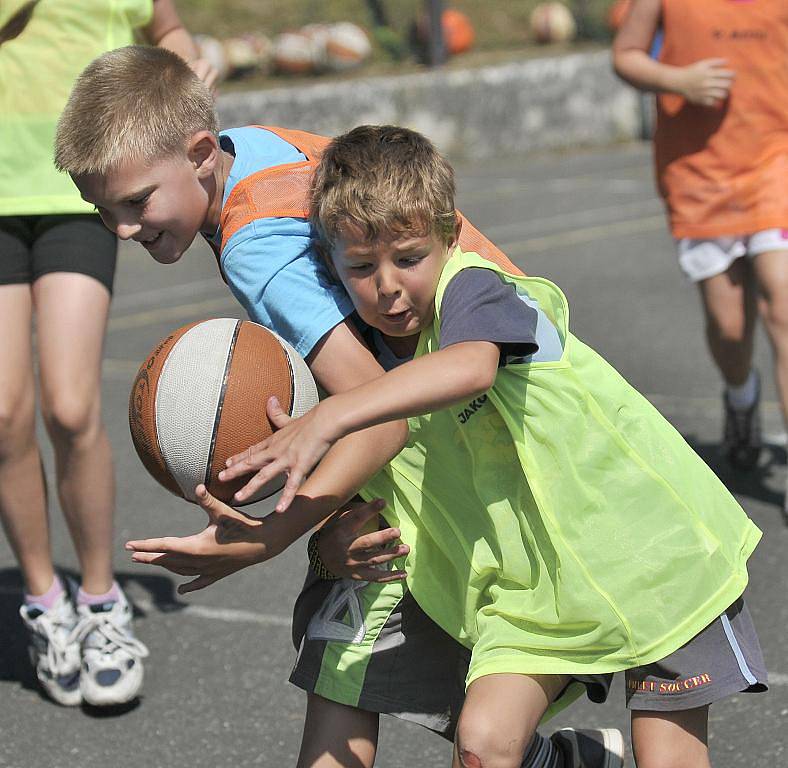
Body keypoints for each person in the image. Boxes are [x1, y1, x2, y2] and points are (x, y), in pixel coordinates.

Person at [54, 46, 624, 768]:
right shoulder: (258, 149)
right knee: (362, 669)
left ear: (200, 153)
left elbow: (379, 411)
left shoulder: (255, 246)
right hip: (521, 420)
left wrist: (272, 536)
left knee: (402, 675)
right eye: (101, 211)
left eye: (136, 203)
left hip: (493, 460)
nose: (122, 229)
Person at [128, 124, 766, 768]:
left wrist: (327, 422)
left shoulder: (475, 290)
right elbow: (390, 447)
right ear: (330, 261)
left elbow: (470, 368)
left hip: (651, 552)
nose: (387, 287)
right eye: (359, 268)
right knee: (484, 744)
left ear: (450, 237)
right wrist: (289, 528)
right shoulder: (358, 352)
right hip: (540, 584)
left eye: (408, 258)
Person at [0, 1, 217, 707]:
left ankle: (100, 602)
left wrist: (190, 66)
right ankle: (45, 600)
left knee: (69, 406)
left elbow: (166, 30)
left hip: (83, 189)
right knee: (4, 414)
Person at [611, 0, 788, 514]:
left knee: (783, 305)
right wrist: (678, 80)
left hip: (775, 159)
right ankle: (741, 394)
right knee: (731, 328)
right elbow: (626, 55)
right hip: (699, 173)